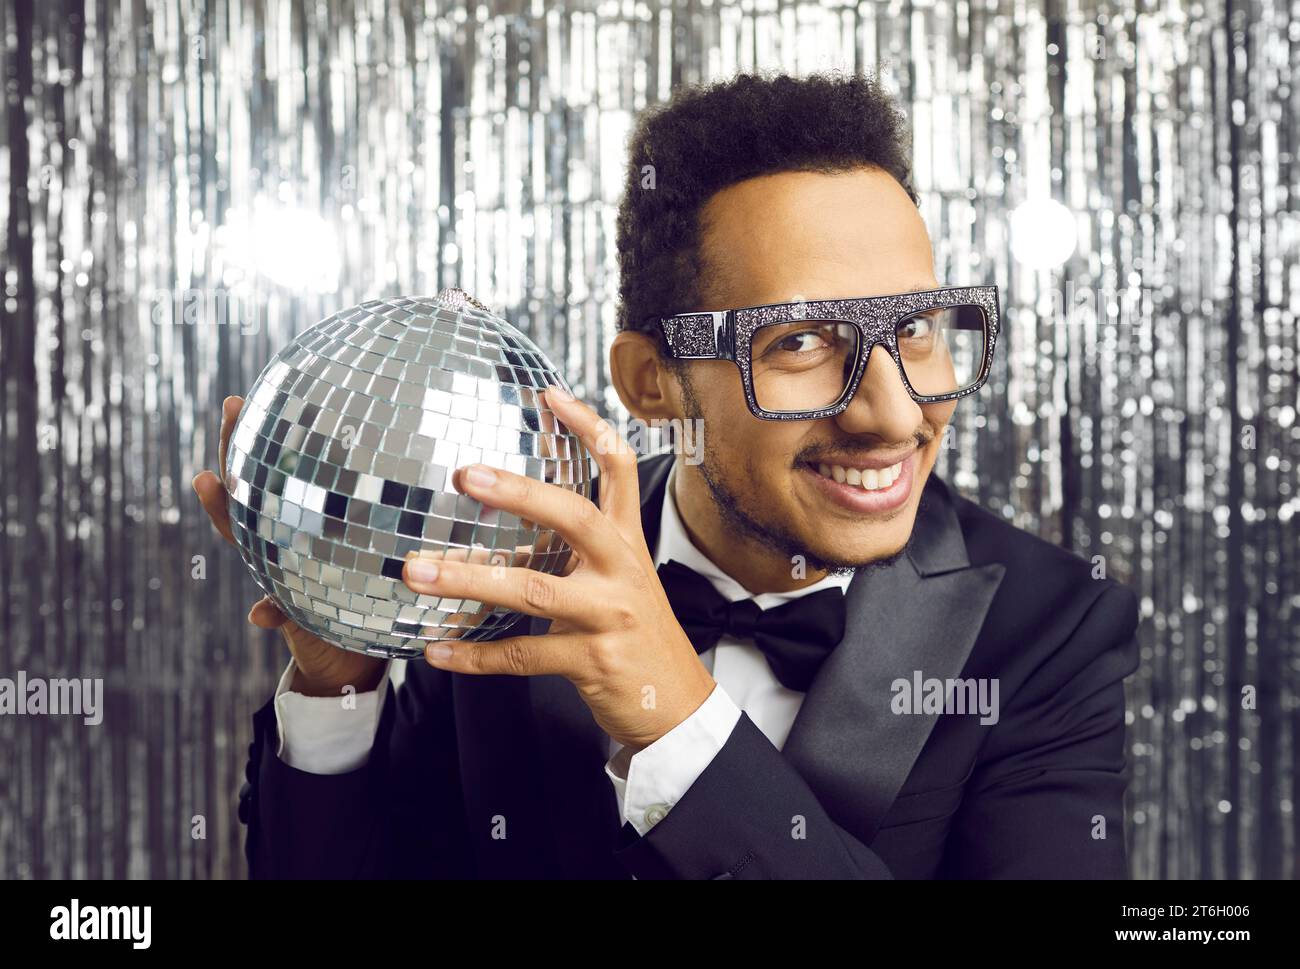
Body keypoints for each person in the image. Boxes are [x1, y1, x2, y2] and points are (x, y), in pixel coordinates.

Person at [193, 70, 1140, 879]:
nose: (895, 414)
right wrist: (338, 684)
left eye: (918, 331)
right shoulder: (510, 553)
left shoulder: (1051, 628)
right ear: (652, 381)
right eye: (803, 341)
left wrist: (678, 723)